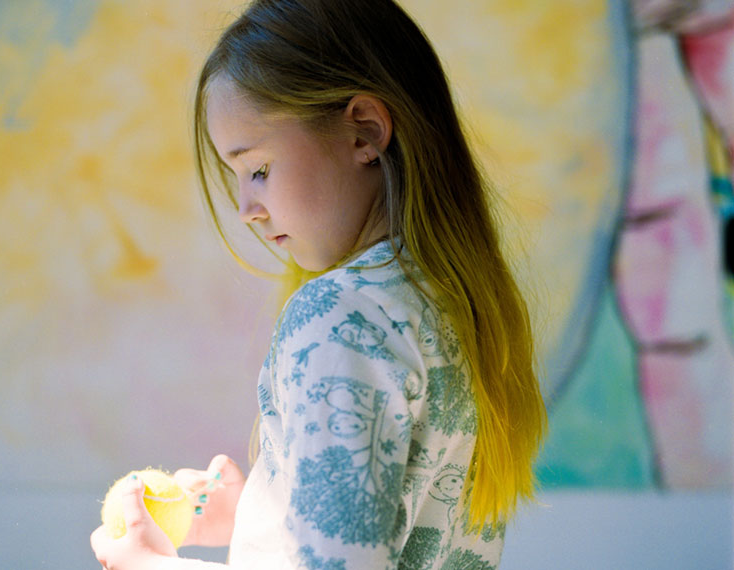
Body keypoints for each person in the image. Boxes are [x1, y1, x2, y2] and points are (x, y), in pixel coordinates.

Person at [90, 0, 547, 568]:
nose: (246, 210)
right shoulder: (453, 307)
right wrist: (264, 509)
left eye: (257, 168)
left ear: (365, 131)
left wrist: (152, 565)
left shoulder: (340, 316)